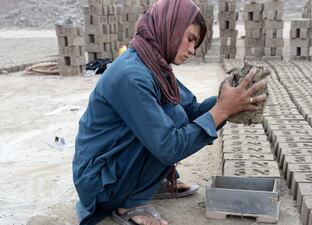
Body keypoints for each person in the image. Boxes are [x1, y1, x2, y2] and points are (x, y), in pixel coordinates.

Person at [72, 0, 267, 224]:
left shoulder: (154, 65)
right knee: (173, 120)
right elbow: (168, 147)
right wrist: (222, 110)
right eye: (190, 39)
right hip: (101, 183)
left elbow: (193, 110)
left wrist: (230, 101)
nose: (192, 50)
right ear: (170, 28)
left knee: (176, 113)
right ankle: (130, 204)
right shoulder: (132, 75)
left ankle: (149, 182)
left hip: (115, 166)